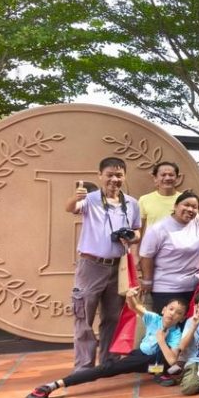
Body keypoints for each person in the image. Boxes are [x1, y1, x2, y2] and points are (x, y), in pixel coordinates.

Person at [25, 290, 186, 398]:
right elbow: (135, 307)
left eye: (178, 313)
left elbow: (172, 360)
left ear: (181, 319)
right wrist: (130, 297)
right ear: (164, 310)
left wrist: (161, 340)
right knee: (107, 368)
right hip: (140, 358)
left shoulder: (176, 333)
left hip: (155, 363)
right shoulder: (154, 319)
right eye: (171, 309)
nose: (172, 314)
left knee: (168, 363)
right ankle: (54, 385)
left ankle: (160, 372)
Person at [66, 156, 142, 369]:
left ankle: (110, 361)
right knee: (84, 315)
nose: (114, 179)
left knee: (113, 316)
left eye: (119, 175)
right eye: (109, 175)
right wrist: (74, 197)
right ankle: (84, 365)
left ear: (124, 176)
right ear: (100, 175)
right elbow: (70, 208)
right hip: (91, 265)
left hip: (119, 266)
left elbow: (137, 231)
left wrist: (131, 237)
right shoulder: (90, 199)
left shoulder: (132, 203)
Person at [138, 190, 199, 313]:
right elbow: (146, 256)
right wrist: (147, 281)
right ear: (175, 206)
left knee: (192, 324)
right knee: (169, 323)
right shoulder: (158, 229)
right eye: (186, 205)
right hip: (167, 289)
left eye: (194, 207)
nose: (190, 209)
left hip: (195, 288)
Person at [137, 161, 181, 232]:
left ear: (177, 178)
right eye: (163, 175)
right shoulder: (144, 200)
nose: (167, 178)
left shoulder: (185, 199)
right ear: (155, 178)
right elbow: (138, 230)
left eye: (171, 175)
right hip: (152, 239)